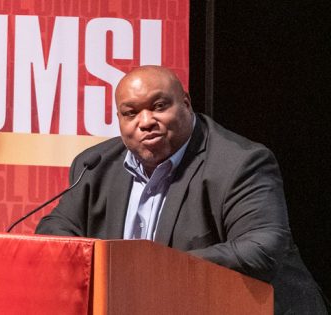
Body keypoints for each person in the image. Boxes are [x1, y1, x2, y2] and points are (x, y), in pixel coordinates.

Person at [36, 66, 329, 314]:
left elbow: (261, 249)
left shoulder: (239, 162)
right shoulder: (96, 165)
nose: (146, 121)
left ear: (186, 104)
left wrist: (155, 269)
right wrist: (103, 267)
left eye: (159, 106)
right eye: (131, 113)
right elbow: (53, 230)